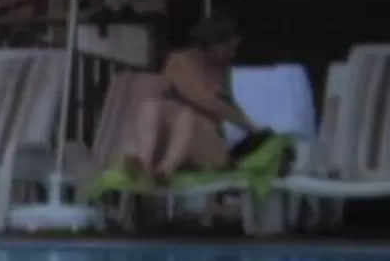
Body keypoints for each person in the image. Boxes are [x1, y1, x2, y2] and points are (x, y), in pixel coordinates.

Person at [99, 14, 287, 191]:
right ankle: (144, 162)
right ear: (212, 44)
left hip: (205, 140)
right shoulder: (179, 61)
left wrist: (253, 131)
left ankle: (166, 169)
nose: (232, 53)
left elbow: (226, 103)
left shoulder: (222, 69)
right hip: (173, 134)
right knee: (151, 107)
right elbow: (203, 99)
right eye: (229, 47)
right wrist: (249, 127)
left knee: (186, 116)